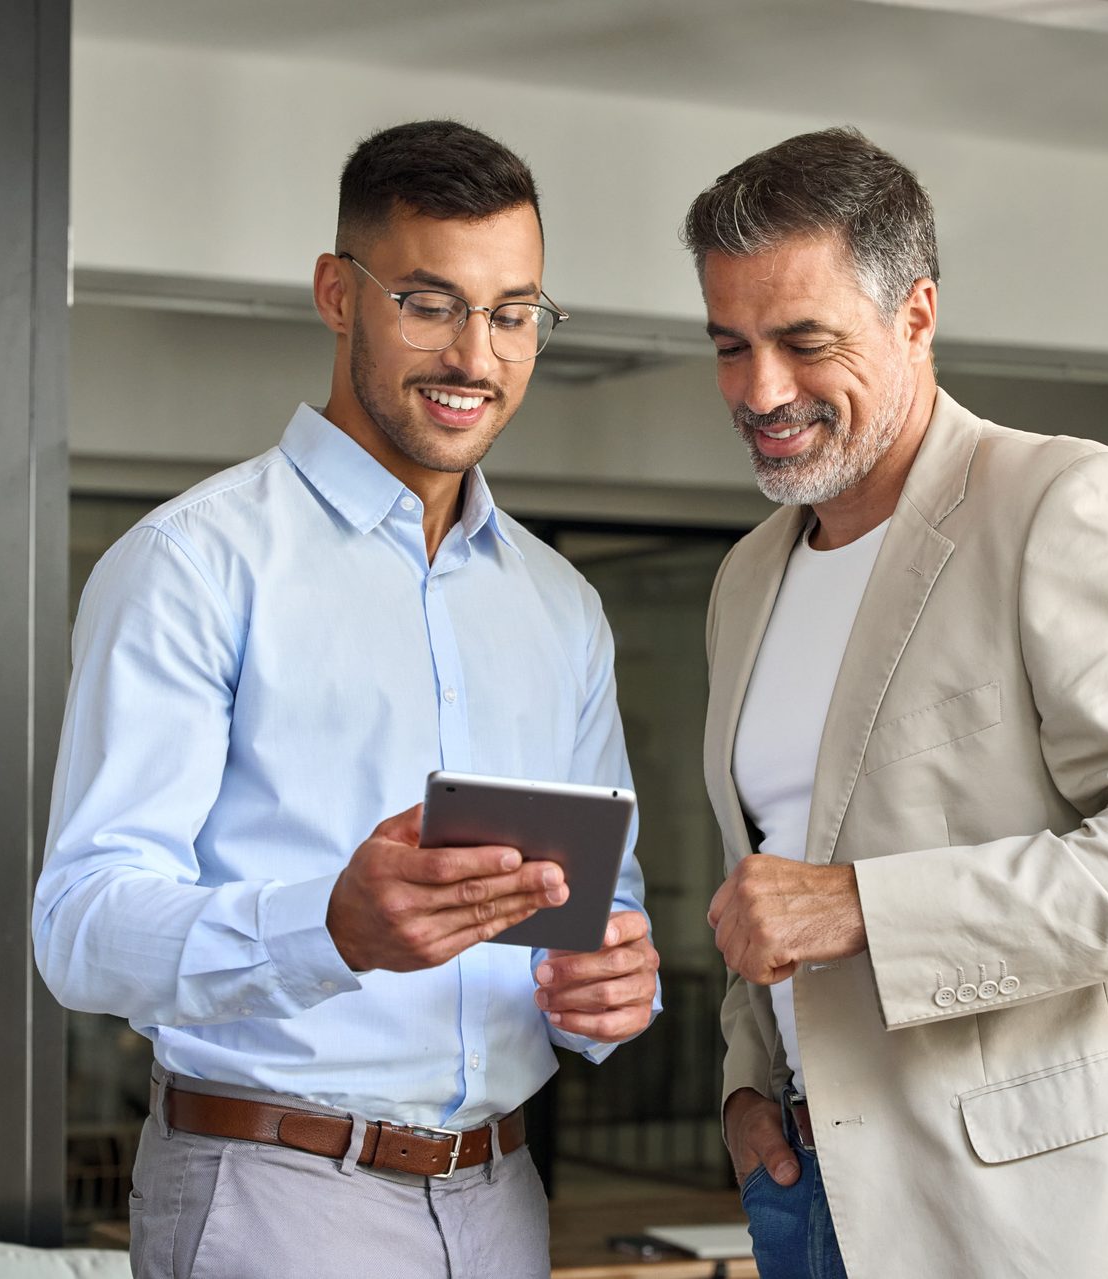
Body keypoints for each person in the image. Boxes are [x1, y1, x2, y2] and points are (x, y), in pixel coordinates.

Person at [33, 120, 660, 1279]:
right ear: (338, 293)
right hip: (274, 1195)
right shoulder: (193, 565)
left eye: (513, 313)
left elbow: (599, 904)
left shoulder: (561, 607)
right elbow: (81, 925)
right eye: (430, 303)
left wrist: (613, 986)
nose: (475, 354)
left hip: (506, 1196)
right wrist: (327, 927)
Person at [685, 127, 1108, 1279]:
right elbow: (766, 880)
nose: (761, 390)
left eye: (805, 342)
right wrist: (746, 1090)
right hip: (802, 1193)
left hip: (1026, 1221)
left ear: (916, 313)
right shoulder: (747, 577)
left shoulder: (1069, 504)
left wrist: (865, 906)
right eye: (730, 345)